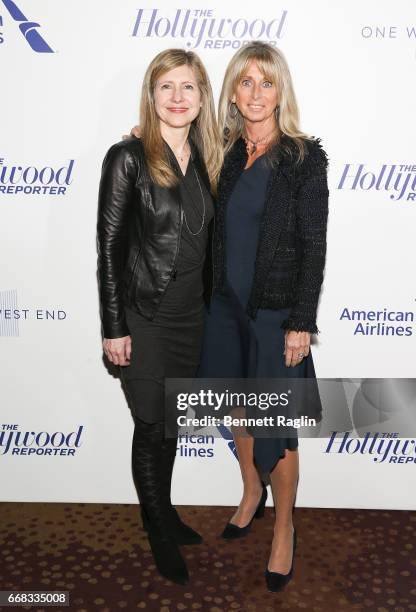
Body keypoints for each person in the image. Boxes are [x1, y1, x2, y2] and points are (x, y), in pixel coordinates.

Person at [198, 41, 329, 592]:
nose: (256, 93)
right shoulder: (223, 153)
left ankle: (284, 529)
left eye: (267, 82)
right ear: (231, 91)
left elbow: (314, 246)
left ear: (281, 92)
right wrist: (141, 140)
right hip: (224, 310)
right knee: (238, 410)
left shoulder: (302, 158)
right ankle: (251, 491)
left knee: (277, 426)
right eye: (246, 81)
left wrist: (302, 321)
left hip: (276, 315)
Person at [96, 48, 222, 585]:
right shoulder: (126, 157)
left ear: (201, 98)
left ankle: (164, 510)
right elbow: (107, 247)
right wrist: (113, 326)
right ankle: (158, 530)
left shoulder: (211, 158)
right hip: (145, 315)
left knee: (169, 423)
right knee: (150, 425)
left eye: (188, 87)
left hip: (192, 318)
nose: (177, 97)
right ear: (151, 96)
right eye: (166, 86)